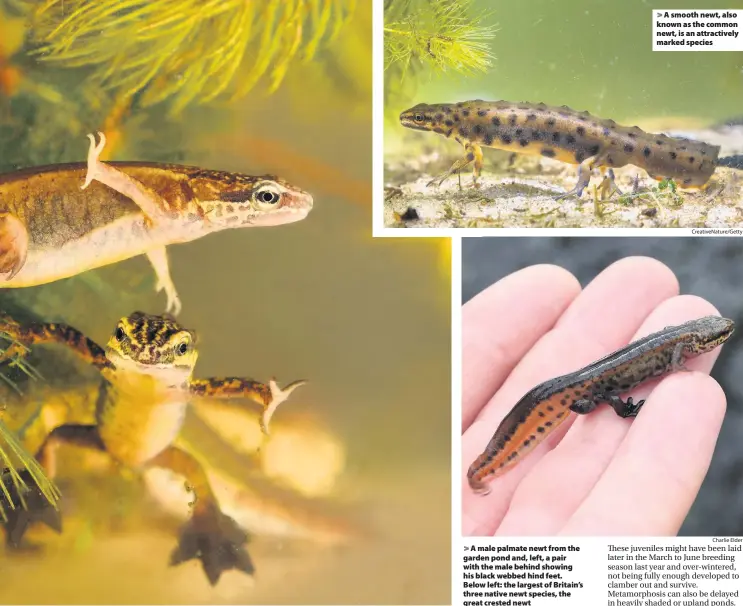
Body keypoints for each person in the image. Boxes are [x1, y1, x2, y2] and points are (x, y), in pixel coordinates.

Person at [461, 257, 727, 536]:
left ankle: (485, 468)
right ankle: (486, 467)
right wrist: (665, 377)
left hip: (590, 385)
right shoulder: (680, 344)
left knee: (587, 397)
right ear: (697, 340)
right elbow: (669, 359)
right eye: (719, 335)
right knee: (593, 398)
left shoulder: (679, 341)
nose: (724, 335)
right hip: (596, 387)